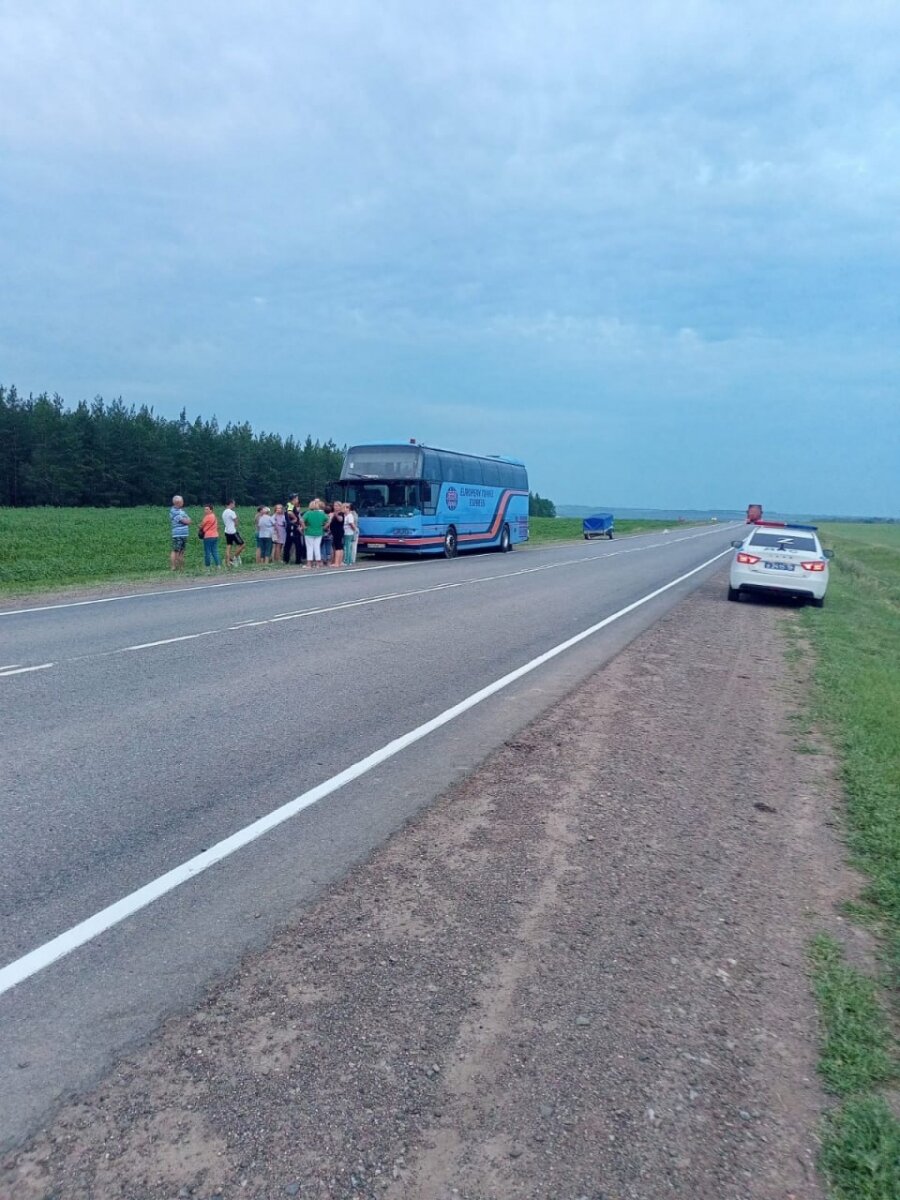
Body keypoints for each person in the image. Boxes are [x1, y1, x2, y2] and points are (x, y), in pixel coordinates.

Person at [302, 498, 327, 567]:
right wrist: (324, 526)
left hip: (309, 532)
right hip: (319, 532)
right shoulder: (322, 513)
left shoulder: (308, 513)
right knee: (317, 547)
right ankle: (318, 563)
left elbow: (301, 520)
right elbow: (328, 520)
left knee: (310, 547)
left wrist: (304, 527)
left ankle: (309, 563)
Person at [169, 495, 191, 570]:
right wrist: (186, 520)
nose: (183, 502)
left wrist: (187, 520)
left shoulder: (181, 511)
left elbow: (189, 520)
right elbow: (185, 521)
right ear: (178, 502)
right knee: (175, 550)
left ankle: (181, 567)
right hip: (177, 534)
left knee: (182, 551)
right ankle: (173, 566)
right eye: (182, 501)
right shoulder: (174, 512)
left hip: (184, 534)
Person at [222, 499, 245, 567]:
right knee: (242, 545)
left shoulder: (224, 512)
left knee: (229, 547)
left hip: (226, 531)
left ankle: (228, 562)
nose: (234, 505)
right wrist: (235, 525)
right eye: (234, 504)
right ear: (231, 504)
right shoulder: (232, 512)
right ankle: (234, 557)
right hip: (233, 531)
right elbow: (236, 522)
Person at [198, 503, 221, 570]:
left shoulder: (207, 517)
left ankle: (207, 567)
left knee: (207, 552)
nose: (205, 510)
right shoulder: (214, 516)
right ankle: (218, 565)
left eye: (207, 509)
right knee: (215, 551)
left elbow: (201, 526)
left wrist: (199, 526)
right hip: (215, 535)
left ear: (211, 510)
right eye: (205, 509)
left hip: (208, 536)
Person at [330, 502, 345, 567]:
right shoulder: (334, 513)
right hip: (335, 531)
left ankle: (337, 563)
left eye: (337, 506)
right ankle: (340, 562)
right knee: (340, 547)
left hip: (338, 532)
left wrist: (335, 515)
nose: (335, 507)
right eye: (334, 506)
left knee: (338, 547)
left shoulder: (340, 513)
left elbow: (340, 520)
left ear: (340, 507)